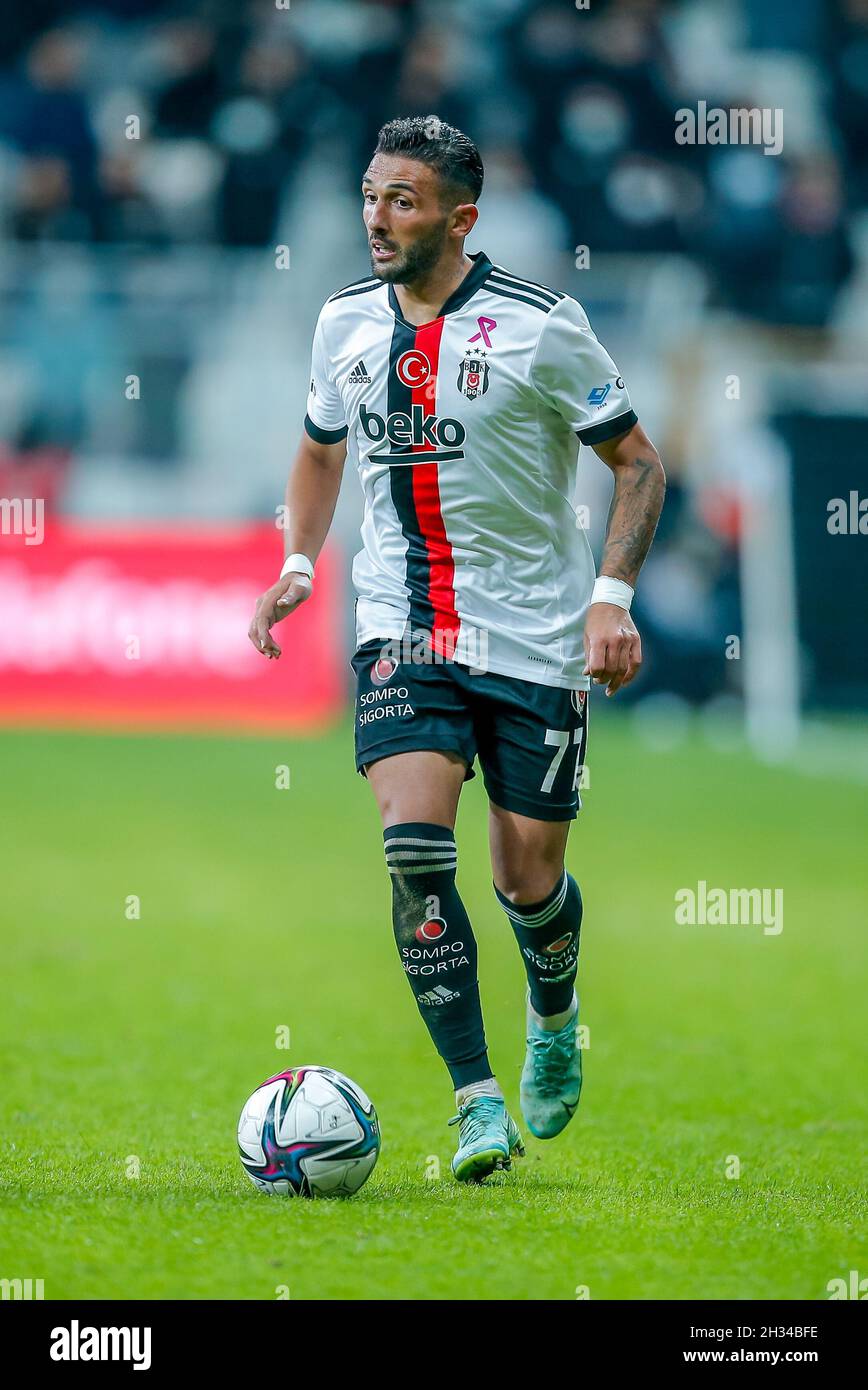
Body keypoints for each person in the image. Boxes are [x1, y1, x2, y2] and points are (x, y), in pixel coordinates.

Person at [249, 116, 665, 1183]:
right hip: (402, 626)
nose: (376, 219)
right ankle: (477, 1101)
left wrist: (610, 598)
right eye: (369, 195)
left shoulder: (540, 327)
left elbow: (638, 464)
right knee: (415, 852)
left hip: (533, 638)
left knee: (527, 879)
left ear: (458, 217)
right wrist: (299, 562)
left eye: (402, 200)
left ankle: (554, 1013)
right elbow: (315, 448)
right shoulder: (342, 324)